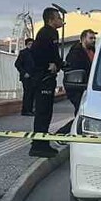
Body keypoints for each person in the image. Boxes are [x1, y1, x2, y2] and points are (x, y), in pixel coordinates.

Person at [28, 8, 65, 158]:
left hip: (48, 78)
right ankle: (38, 146)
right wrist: (47, 66)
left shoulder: (51, 33)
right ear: (51, 20)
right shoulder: (45, 33)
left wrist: (59, 64)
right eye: (58, 18)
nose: (61, 21)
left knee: (46, 112)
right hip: (43, 78)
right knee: (43, 112)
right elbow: (36, 54)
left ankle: (42, 143)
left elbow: (54, 55)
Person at [64, 30, 96, 115]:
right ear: (83, 39)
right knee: (80, 110)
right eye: (91, 38)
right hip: (78, 87)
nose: (93, 40)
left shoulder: (94, 51)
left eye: (94, 38)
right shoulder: (75, 53)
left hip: (90, 86)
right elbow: (72, 71)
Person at [15, 38, 35, 116]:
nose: (31, 45)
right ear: (26, 45)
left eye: (32, 44)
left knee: (32, 94)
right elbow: (17, 64)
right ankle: (25, 110)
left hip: (33, 76)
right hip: (26, 77)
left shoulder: (35, 53)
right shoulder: (23, 53)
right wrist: (24, 73)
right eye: (29, 44)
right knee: (27, 93)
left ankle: (30, 109)